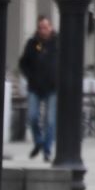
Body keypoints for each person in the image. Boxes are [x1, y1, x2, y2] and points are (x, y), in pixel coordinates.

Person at [18, 15, 59, 160]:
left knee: (50, 121)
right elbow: (23, 63)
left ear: (51, 27)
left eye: (46, 27)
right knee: (32, 117)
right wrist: (30, 75)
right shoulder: (32, 43)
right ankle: (39, 142)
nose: (43, 30)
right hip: (35, 87)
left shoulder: (57, 43)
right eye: (41, 27)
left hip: (53, 87)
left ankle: (47, 149)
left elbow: (66, 62)